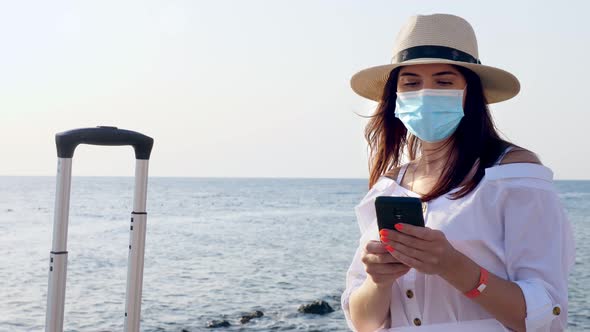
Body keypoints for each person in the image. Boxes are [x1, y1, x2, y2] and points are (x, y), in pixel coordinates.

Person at [340, 13, 575, 332]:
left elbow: (547, 315)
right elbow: (364, 322)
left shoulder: (514, 175)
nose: (424, 93)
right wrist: (377, 281)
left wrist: (454, 266)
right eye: (410, 82)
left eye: (444, 80)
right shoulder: (388, 187)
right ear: (395, 95)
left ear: (471, 91)